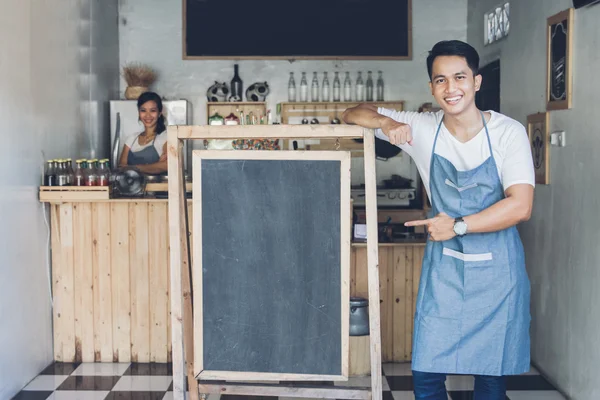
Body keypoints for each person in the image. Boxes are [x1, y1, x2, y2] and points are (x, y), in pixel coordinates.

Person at [342, 40, 534, 400]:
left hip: (498, 273)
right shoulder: (422, 127)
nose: (451, 88)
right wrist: (386, 121)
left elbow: (520, 206)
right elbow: (352, 113)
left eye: (459, 77)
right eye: (440, 80)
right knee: (427, 373)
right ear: (431, 87)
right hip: (445, 271)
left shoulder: (509, 133)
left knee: (490, 378)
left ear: (477, 82)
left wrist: (458, 225)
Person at [119, 91, 168, 174]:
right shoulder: (131, 139)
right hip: (132, 187)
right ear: (139, 112)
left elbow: (167, 165)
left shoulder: (166, 137)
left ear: (159, 113)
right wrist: (155, 166)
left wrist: (132, 167)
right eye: (143, 110)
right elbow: (121, 168)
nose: (147, 115)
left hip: (158, 186)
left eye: (152, 110)